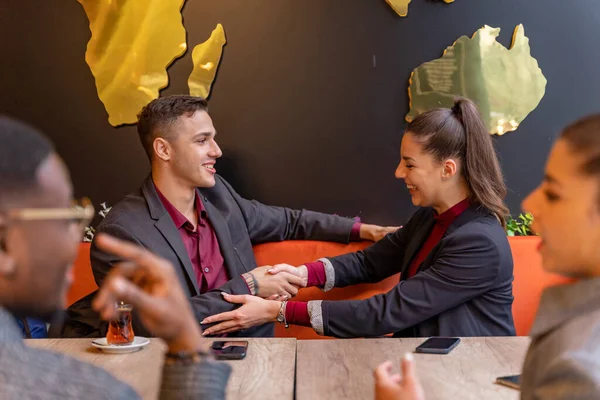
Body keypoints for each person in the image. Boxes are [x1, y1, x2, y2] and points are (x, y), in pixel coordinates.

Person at [81, 94, 396, 339]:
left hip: (256, 351)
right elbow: (147, 323)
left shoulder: (221, 197)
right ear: (164, 150)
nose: (216, 151)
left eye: (213, 138)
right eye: (202, 140)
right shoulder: (123, 232)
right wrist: (248, 285)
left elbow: (291, 221)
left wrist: (367, 231)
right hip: (174, 366)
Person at [201, 97, 516, 338]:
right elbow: (370, 263)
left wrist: (277, 311)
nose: (398, 172)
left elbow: (386, 312)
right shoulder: (432, 218)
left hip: (469, 374)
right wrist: (299, 273)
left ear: (447, 169)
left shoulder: (478, 242)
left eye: (409, 164)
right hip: (426, 365)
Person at [0, 116, 230, 399]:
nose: (75, 240)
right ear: (4, 243)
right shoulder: (84, 390)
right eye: (66, 219)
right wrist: (187, 346)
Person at [374, 113, 600, 399]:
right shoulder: (429, 219)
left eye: (553, 194)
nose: (529, 204)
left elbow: (392, 308)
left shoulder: (582, 368)